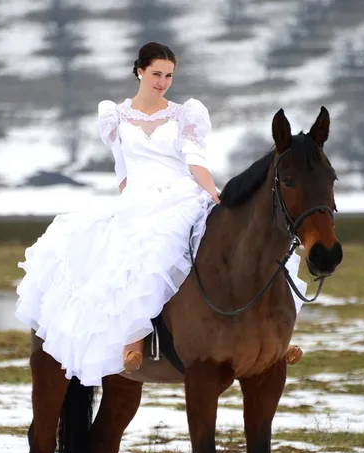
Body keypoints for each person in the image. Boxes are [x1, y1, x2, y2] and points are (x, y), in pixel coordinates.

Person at [15, 41, 302, 386]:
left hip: (183, 196)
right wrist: (128, 208)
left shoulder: (184, 115)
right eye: (156, 74)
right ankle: (133, 339)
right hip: (137, 201)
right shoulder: (115, 118)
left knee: (245, 247)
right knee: (123, 257)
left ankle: (275, 338)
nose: (163, 81)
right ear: (139, 71)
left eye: (168, 75)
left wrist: (213, 193)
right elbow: (123, 172)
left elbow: (195, 159)